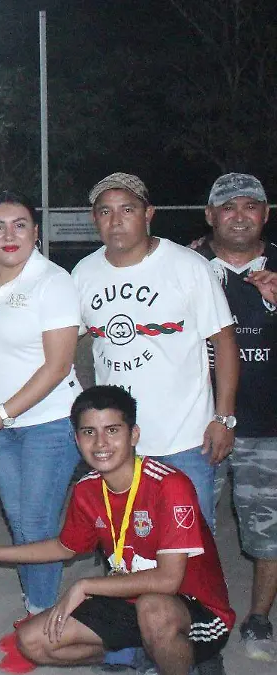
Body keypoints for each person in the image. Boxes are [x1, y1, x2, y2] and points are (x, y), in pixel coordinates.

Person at [0, 386, 234, 675]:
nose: (100, 443)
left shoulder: (169, 485)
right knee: (32, 642)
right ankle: (138, 654)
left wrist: (85, 586)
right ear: (76, 439)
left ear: (133, 435)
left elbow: (169, 580)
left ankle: (180, 655)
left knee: (154, 612)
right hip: (129, 599)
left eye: (112, 430)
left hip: (195, 610)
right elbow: (65, 547)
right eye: (88, 432)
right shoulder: (87, 488)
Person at [0, 191, 83, 671]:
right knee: (22, 523)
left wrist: (1, 413)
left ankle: (41, 624)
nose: (9, 235)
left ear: (36, 231)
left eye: (20, 225)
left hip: (47, 422)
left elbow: (58, 365)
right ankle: (39, 614)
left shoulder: (54, 282)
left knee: (37, 523)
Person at [71, 173, 239, 533]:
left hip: (186, 441)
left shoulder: (188, 267)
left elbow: (224, 342)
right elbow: (60, 343)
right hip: (117, 446)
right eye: (105, 211)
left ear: (148, 213)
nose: (116, 221)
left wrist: (224, 418)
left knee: (192, 550)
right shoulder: (83, 274)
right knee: (127, 548)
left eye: (127, 209)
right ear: (94, 219)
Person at [195, 172, 277, 661]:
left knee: (267, 532)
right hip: (198, 427)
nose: (240, 215)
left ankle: (259, 618)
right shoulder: (185, 268)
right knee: (190, 531)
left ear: (265, 215)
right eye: (228, 207)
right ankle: (202, 614)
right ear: (210, 216)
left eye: (251, 206)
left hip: (268, 429)